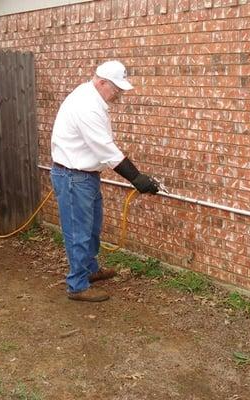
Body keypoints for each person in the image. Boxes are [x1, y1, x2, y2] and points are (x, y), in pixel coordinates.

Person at [50, 60, 159, 302]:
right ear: (101, 82)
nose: (118, 94)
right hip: (73, 177)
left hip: (85, 177)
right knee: (78, 233)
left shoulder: (92, 96)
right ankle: (77, 286)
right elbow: (107, 151)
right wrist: (137, 178)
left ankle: (90, 270)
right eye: (116, 89)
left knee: (92, 228)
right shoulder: (87, 106)